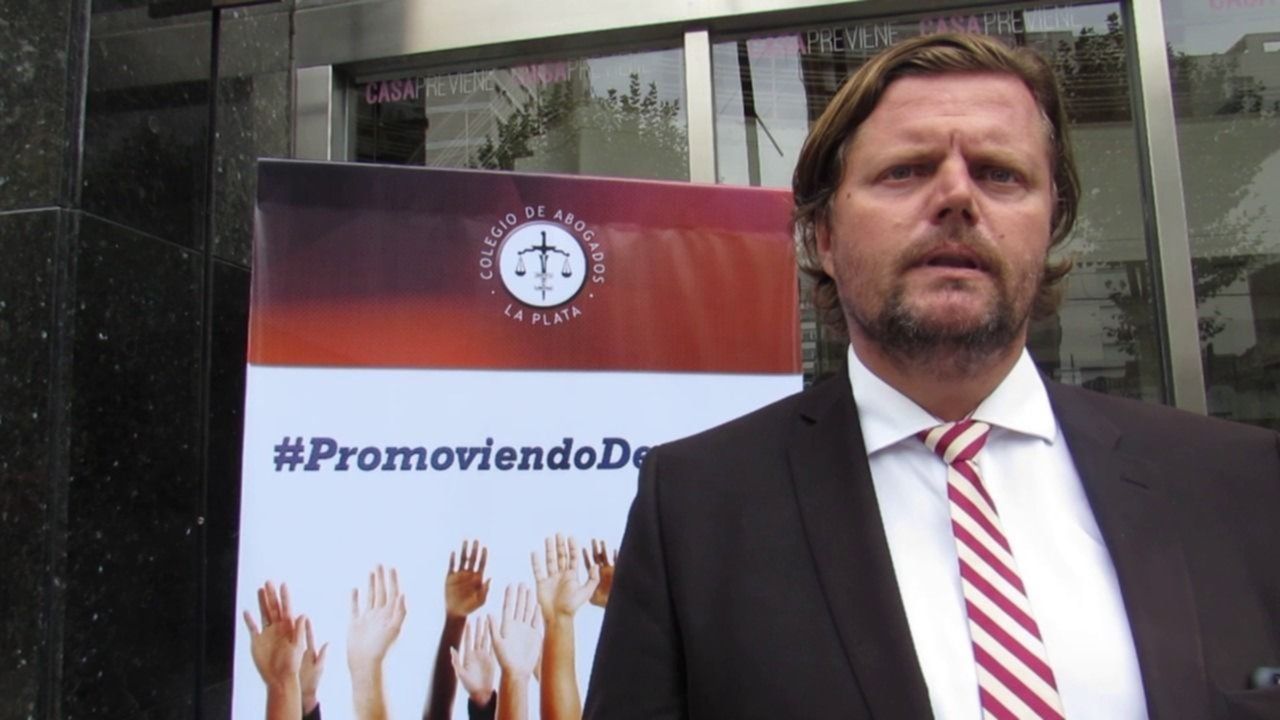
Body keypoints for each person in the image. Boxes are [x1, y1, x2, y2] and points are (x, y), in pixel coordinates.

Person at [583, 32, 1280, 720]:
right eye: (906, 171)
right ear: (824, 237)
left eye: (1000, 174)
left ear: (1050, 225)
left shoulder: (1239, 484)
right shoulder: (696, 509)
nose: (956, 197)